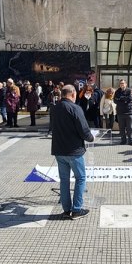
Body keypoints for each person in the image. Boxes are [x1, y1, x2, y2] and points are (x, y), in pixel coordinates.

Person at [51, 85, 95, 220]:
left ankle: (66, 210)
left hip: (59, 150)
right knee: (80, 178)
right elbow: (84, 129)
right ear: (73, 94)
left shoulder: (54, 108)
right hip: (74, 151)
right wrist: (91, 138)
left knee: (64, 180)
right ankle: (76, 210)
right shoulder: (75, 108)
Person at [113, 79, 132, 146]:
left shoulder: (129, 90)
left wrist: (120, 99)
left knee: (130, 128)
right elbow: (115, 100)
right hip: (120, 112)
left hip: (129, 112)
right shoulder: (117, 91)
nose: (122, 85)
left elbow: (130, 98)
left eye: (123, 83)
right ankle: (123, 140)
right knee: (121, 128)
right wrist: (124, 100)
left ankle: (131, 141)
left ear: (126, 84)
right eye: (120, 83)